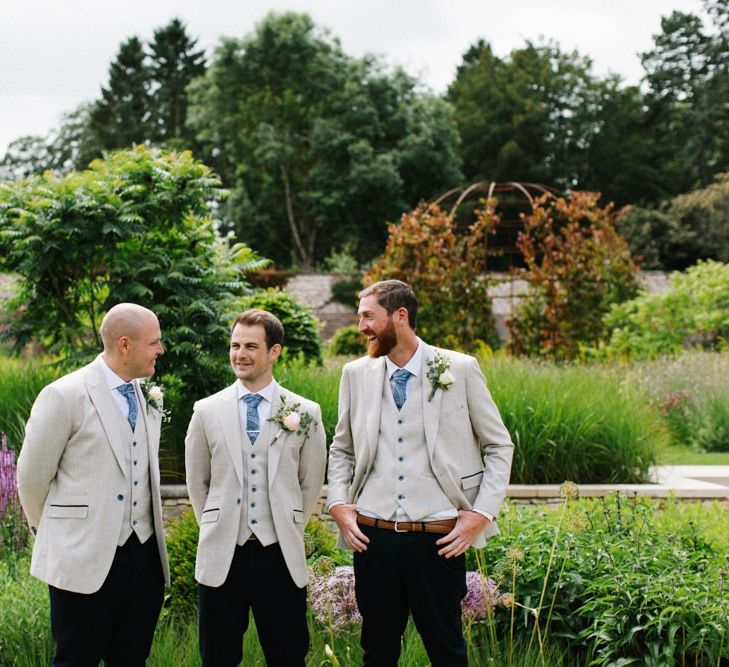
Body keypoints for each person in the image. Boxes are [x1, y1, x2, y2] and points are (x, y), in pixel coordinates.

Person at [327, 279, 514, 667]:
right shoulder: (354, 374)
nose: (360, 326)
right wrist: (339, 505)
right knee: (377, 652)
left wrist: (481, 514)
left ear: (400, 316)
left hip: (439, 540)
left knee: (447, 651)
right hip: (373, 540)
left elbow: (499, 446)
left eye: (368, 316)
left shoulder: (458, 368)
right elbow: (341, 448)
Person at [17, 303, 170, 667]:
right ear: (124, 345)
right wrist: (61, 534)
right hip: (82, 559)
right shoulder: (64, 395)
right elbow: (31, 477)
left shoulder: (148, 397)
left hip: (144, 559)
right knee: (75, 660)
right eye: (155, 342)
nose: (161, 350)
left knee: (132, 660)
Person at [185, 308, 326, 667]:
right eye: (234, 345)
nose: (239, 354)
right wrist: (218, 523)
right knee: (217, 657)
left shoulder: (305, 412)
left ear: (274, 352)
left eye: (250, 346)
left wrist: (287, 521)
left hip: (279, 553)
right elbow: (197, 481)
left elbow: (310, 482)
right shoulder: (206, 411)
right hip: (223, 553)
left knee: (288, 655)